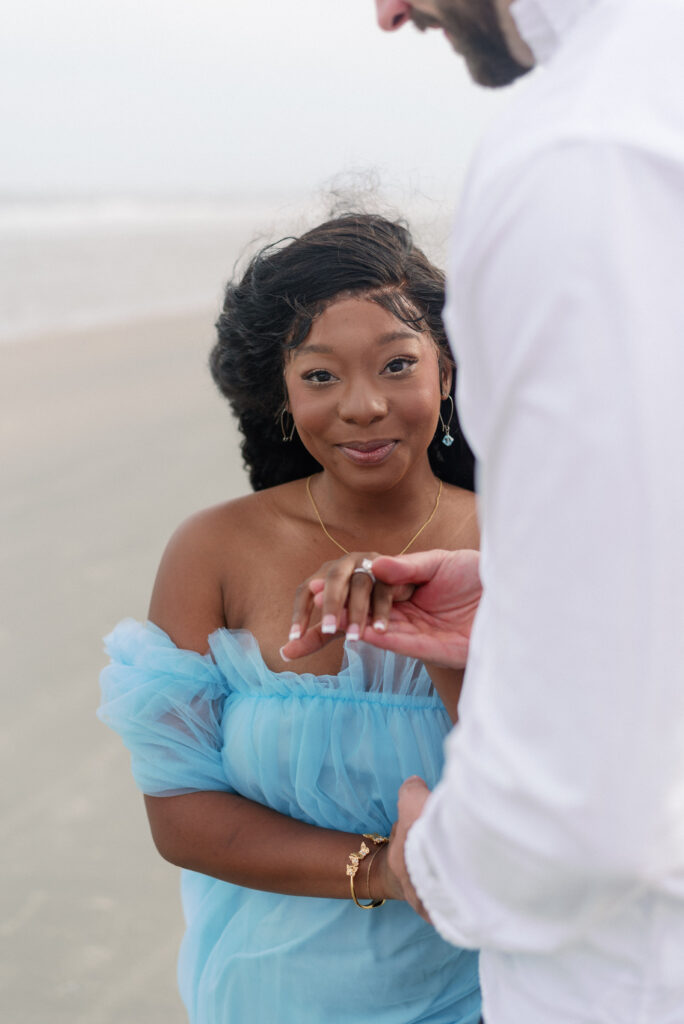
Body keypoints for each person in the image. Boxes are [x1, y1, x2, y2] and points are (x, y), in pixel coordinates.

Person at [291, 3, 684, 1023]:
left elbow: (580, 805)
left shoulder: (586, 148)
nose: (390, 12)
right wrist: (520, 601)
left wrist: (432, 859)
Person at [98, 212, 485, 1023]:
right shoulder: (214, 551)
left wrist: (445, 638)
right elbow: (180, 811)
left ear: (445, 373)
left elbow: (562, 772)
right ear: (279, 389)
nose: (364, 405)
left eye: (397, 364)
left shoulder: (516, 536)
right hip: (269, 995)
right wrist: (382, 869)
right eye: (320, 377)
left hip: (485, 992)